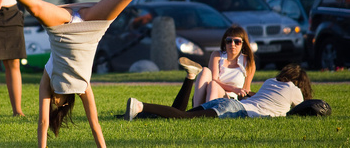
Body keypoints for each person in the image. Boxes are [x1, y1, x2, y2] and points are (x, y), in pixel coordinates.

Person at [0, 0, 195, 148]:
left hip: (63, 28)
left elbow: (43, 123)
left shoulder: (49, 80)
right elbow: (94, 125)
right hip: (91, 28)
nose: (53, 102)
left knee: (34, 7)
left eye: (52, 102)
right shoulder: (82, 86)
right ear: (66, 103)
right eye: (57, 103)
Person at [124, 63, 312, 120]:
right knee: (184, 118)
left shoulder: (271, 81)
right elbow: (303, 108)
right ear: (300, 82)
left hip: (230, 103)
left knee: (179, 115)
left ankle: (134, 112)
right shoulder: (294, 90)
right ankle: (141, 105)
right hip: (235, 109)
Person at [186, 25, 256, 107]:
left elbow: (246, 89)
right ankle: (196, 109)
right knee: (205, 70)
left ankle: (208, 112)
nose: (232, 44)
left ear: (243, 44)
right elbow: (214, 79)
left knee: (213, 85)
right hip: (211, 92)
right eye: (229, 41)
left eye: (237, 41)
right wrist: (234, 88)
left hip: (230, 98)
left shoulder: (248, 61)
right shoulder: (217, 55)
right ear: (225, 42)